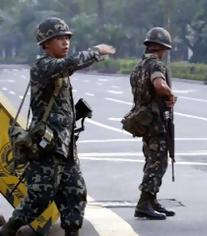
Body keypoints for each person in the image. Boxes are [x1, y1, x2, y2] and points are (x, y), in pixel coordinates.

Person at [0, 17, 115, 236]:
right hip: (48, 148)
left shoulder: (58, 70)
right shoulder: (43, 66)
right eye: (59, 39)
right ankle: (8, 229)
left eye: (67, 38)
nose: (65, 42)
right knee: (39, 197)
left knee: (76, 193)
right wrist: (96, 51)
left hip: (65, 147)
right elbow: (68, 64)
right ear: (45, 44)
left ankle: (72, 232)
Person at [131, 27, 176, 220]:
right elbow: (159, 84)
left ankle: (152, 200)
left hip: (143, 119)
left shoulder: (139, 66)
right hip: (156, 120)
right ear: (163, 48)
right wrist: (170, 94)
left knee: (150, 158)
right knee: (158, 162)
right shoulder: (156, 65)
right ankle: (144, 203)